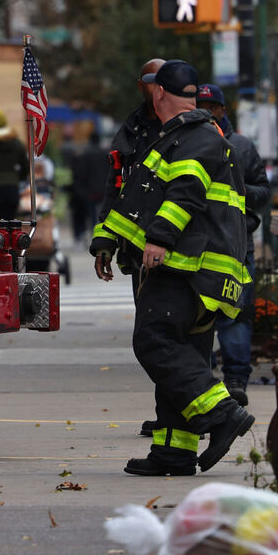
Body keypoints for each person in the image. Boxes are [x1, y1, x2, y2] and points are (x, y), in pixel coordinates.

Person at [90, 60, 254, 477]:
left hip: (189, 268)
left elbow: (185, 193)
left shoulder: (194, 138)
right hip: (200, 270)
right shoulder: (182, 136)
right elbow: (135, 199)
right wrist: (107, 239)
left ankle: (221, 413)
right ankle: (174, 452)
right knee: (182, 357)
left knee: (154, 340)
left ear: (158, 93)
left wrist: (160, 239)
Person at [92, 58, 165, 437]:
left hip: (185, 254)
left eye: (162, 80)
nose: (157, 88)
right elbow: (115, 189)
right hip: (142, 254)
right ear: (142, 85)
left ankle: (200, 409)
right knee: (151, 337)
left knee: (177, 339)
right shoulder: (133, 131)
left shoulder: (194, 129)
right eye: (151, 81)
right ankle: (171, 412)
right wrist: (105, 240)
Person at [197, 84, 270, 407]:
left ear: (222, 111)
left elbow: (262, 193)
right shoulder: (185, 144)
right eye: (199, 104)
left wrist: (239, 193)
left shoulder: (241, 147)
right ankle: (201, 380)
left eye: (210, 106)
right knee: (196, 314)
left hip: (236, 244)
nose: (204, 110)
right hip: (198, 245)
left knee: (235, 313)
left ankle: (236, 379)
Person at [69, 130, 109, 243]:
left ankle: (94, 234)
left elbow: (82, 173)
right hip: (104, 189)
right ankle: (104, 235)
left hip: (90, 190)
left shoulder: (86, 154)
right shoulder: (105, 153)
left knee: (91, 214)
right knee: (103, 213)